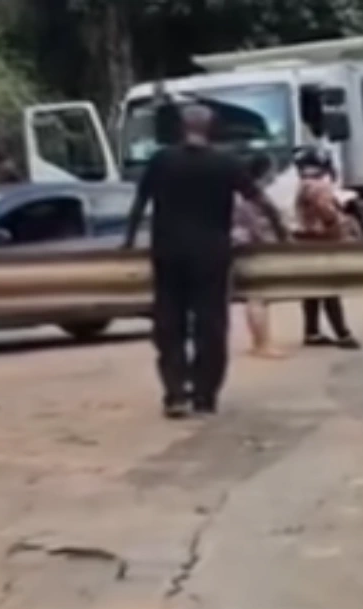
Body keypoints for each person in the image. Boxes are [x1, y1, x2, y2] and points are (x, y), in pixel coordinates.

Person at [123, 105, 288, 419]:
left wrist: (128, 242)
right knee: (210, 325)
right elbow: (260, 201)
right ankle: (205, 394)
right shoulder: (225, 162)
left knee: (169, 324)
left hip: (168, 253)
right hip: (212, 255)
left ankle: (175, 394)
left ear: (181, 128)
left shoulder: (162, 160)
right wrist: (282, 235)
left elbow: (140, 202)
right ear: (212, 129)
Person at [294, 146, 363, 350]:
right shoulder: (318, 186)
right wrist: (341, 224)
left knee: (311, 290)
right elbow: (327, 213)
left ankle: (312, 331)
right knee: (329, 288)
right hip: (322, 241)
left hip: (306, 241)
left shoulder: (302, 184)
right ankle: (342, 333)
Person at [233, 154, 285, 358]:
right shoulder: (253, 194)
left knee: (253, 297)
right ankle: (262, 344)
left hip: (238, 245)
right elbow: (257, 223)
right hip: (252, 246)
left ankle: (260, 342)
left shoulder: (236, 192)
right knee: (258, 297)